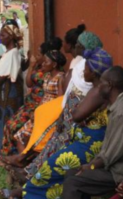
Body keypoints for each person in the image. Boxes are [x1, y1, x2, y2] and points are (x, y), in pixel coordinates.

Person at [1, 48, 113, 199]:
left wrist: (76, 109)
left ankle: (26, 196)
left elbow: (76, 115)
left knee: (52, 165)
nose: (83, 71)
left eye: (86, 68)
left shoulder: (96, 92)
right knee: (55, 160)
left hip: (90, 145)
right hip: (88, 140)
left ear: (93, 72)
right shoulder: (99, 89)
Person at [23, 31, 104, 178]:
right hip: (67, 113)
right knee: (53, 143)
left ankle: (35, 177)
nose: (76, 47)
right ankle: (31, 172)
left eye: (79, 45)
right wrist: (62, 114)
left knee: (58, 149)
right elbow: (69, 93)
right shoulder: (81, 65)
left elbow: (80, 101)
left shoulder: (92, 71)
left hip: (77, 120)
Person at [61, 66, 123, 199]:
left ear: (109, 86)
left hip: (117, 173)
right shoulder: (116, 106)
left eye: (101, 83)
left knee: (73, 182)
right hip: (113, 167)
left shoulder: (120, 112)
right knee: (72, 173)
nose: (98, 86)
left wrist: (92, 166)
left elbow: (110, 155)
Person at [1, 40, 62, 156]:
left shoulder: (54, 74)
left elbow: (58, 99)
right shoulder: (43, 69)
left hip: (39, 107)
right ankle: (12, 155)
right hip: (31, 104)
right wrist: (32, 66)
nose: (36, 56)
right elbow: (29, 83)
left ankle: (16, 156)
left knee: (14, 127)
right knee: (10, 125)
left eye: (39, 54)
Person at [0, 24, 24, 154]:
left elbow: (4, 75)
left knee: (7, 118)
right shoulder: (10, 52)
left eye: (3, 35)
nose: (1, 38)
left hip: (8, 90)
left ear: (11, 37)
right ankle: (5, 147)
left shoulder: (12, 53)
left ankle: (7, 149)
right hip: (7, 89)